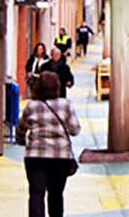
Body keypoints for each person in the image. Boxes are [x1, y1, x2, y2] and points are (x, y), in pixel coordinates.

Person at [16, 71, 81, 217]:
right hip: (60, 157)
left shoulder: (31, 106)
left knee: (36, 194)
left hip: (35, 156)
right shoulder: (66, 105)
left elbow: (21, 128)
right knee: (56, 194)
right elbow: (75, 130)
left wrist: (21, 140)